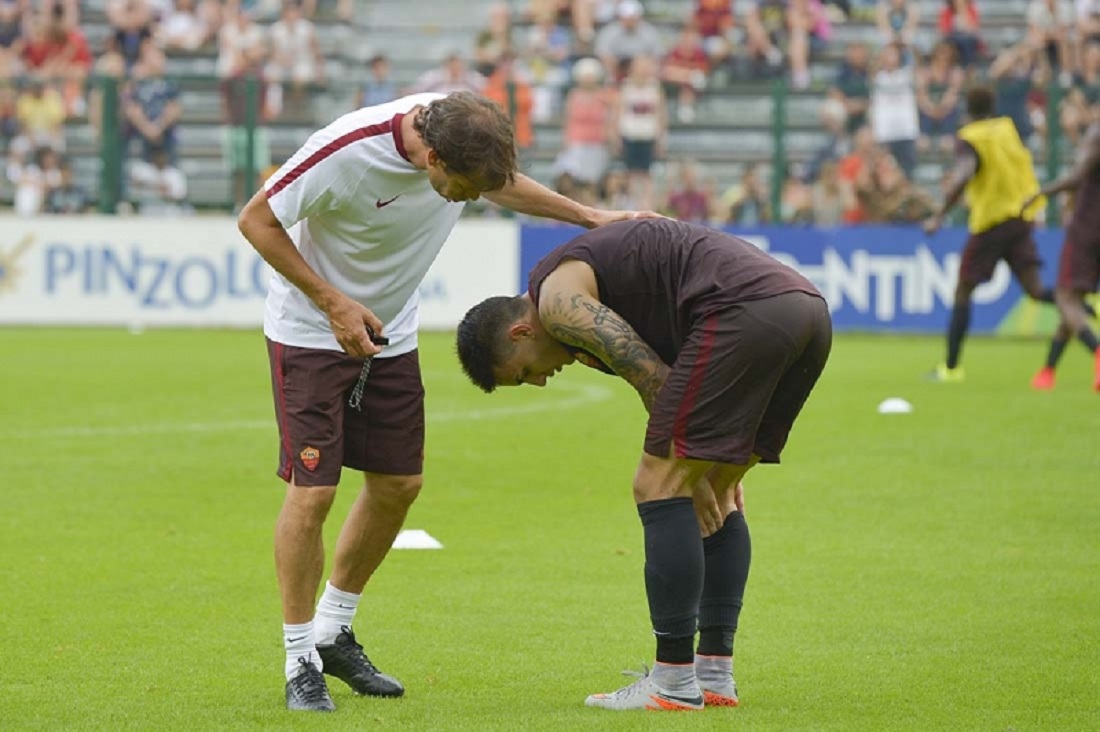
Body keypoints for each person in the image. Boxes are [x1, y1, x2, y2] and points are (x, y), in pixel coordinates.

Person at [236, 91, 653, 713]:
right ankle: (300, 658)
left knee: (399, 483)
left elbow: (500, 184)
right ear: (430, 158)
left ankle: (333, 629)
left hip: (391, 330)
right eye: (458, 186)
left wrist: (590, 218)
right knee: (314, 490)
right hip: (312, 331)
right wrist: (334, 304)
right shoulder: (346, 150)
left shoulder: (461, 131)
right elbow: (255, 221)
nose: (465, 198)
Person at [454, 218, 831, 712]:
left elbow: (652, 375)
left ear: (521, 332)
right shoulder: (577, 287)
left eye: (524, 373)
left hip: (743, 311)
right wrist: (697, 470)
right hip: (805, 311)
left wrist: (684, 472)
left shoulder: (557, 303)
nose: (541, 382)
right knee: (717, 490)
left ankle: (673, 680)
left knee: (658, 485)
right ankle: (713, 673)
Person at [923, 86, 1056, 382]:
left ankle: (951, 368)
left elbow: (966, 172)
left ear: (966, 108)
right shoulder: (1006, 128)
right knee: (1035, 290)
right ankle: (1085, 302)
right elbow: (1021, 166)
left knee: (963, 289)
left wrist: (940, 214)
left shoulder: (971, 137)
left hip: (992, 222)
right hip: (1020, 217)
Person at [1024, 110, 1100, 391]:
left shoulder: (1097, 133)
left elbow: (1078, 177)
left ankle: (1097, 351)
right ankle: (1048, 371)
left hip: (1088, 227)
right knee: (1074, 304)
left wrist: (1041, 193)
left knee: (1064, 296)